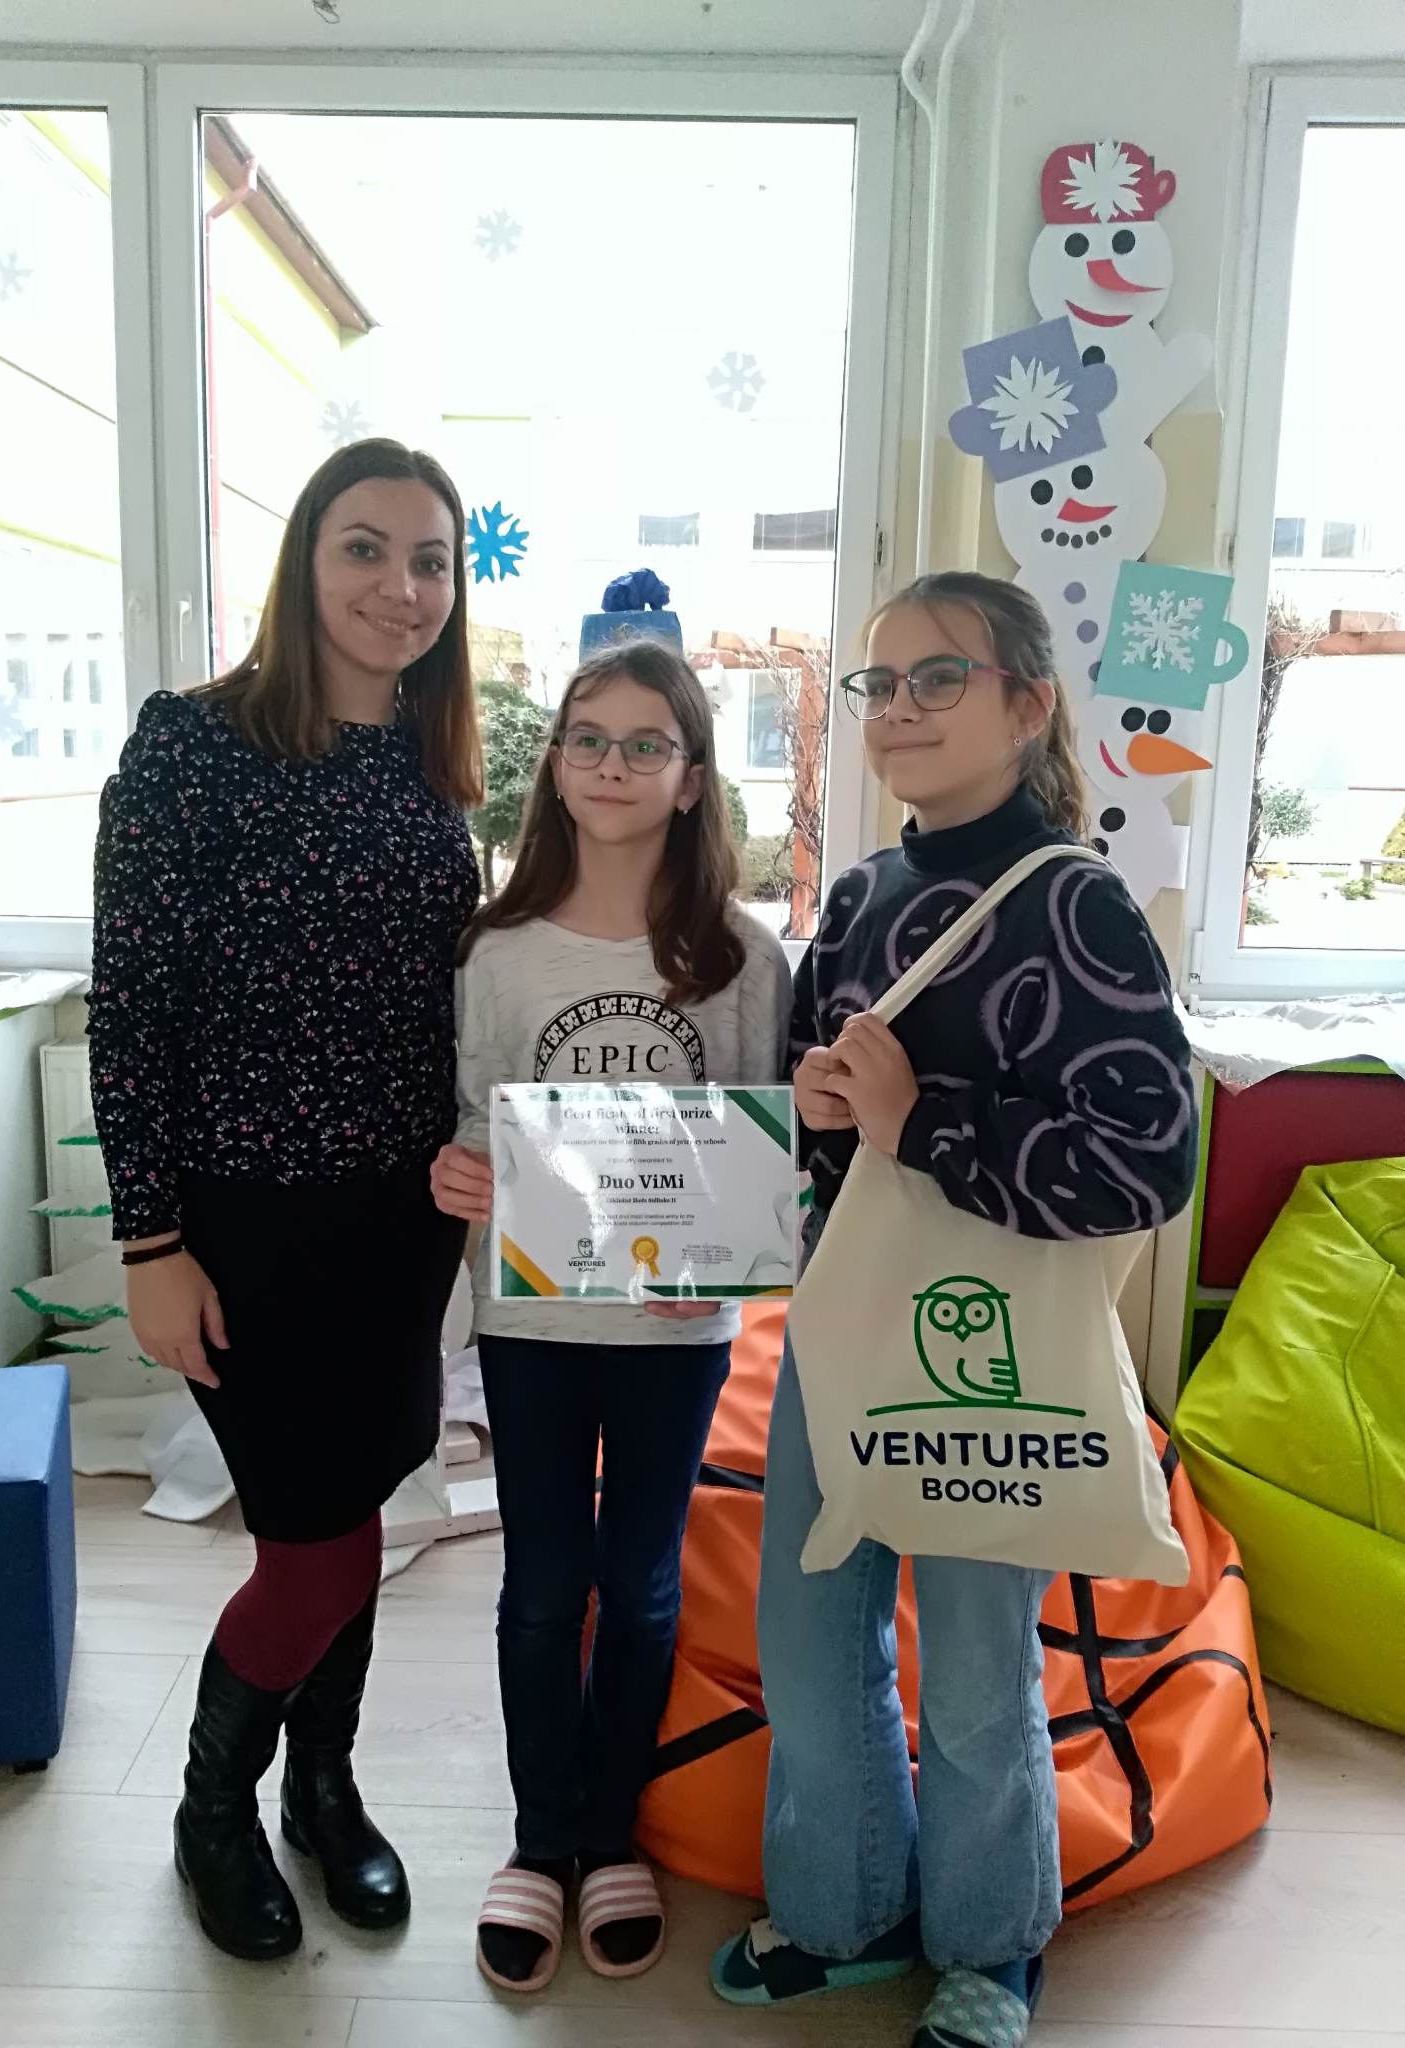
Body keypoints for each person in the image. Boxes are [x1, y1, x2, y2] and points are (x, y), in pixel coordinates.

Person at [710, 572, 1198, 2048]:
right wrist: (818, 1112)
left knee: (982, 1663)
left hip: (995, 1354)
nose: (902, 708)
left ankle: (992, 1945)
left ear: (1028, 705)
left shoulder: (1079, 903)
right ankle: (847, 1908)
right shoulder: (861, 899)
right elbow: (819, 1136)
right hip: (843, 1322)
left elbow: (1145, 1161)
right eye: (882, 684)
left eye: (942, 678)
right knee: (812, 1630)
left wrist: (917, 1122)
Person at [89, 439, 483, 1963]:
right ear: (305, 561)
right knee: (312, 1543)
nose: (401, 587)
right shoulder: (193, 743)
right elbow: (132, 1012)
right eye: (364, 549)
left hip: (400, 1218)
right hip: (243, 1220)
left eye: (431, 560)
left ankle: (325, 1790)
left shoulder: (431, 764)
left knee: (360, 1505)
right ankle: (213, 1814)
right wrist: (150, 1242)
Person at [431, 639, 792, 1994]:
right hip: (531, 1325)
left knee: (641, 1586)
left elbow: (758, 1144)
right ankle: (540, 1840)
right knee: (541, 1585)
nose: (614, 765)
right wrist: (458, 1177)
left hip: (673, 1334)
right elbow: (477, 1129)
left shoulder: (743, 956)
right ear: (556, 766)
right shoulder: (499, 948)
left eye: (649, 744)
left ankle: (610, 1834)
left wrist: (732, 1252)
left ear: (693, 778)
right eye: (588, 738)